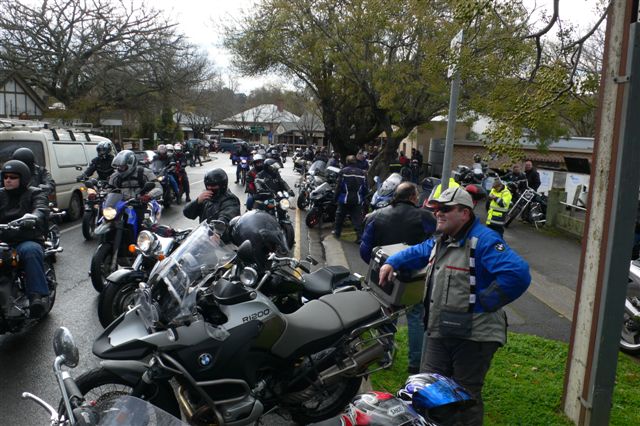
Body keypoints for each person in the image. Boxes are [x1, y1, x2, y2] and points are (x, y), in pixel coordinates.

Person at [378, 187, 530, 425]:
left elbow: (518, 274)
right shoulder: (442, 238)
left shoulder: (484, 240)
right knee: (428, 387)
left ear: (465, 213)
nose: (438, 213)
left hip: (475, 336)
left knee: (464, 396)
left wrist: (483, 303)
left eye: (445, 209)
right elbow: (420, 251)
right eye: (436, 208)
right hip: (442, 330)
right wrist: (393, 261)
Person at [360, 182, 436, 374]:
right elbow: (435, 244)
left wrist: (379, 265)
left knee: (386, 315)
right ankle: (415, 363)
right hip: (414, 277)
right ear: (412, 197)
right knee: (416, 317)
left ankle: (384, 356)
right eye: (416, 195)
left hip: (384, 275)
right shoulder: (426, 216)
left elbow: (365, 249)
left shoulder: (376, 215)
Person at [0, 160, 50, 317]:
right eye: (5, 177)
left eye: (13, 177)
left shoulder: (34, 193)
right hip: (3, 240)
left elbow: (41, 207)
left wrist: (34, 217)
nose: (8, 180)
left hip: (26, 239)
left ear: (23, 178)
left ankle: (36, 296)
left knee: (30, 251)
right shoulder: (0, 194)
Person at [333, 155, 367, 243]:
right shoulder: (362, 173)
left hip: (344, 199)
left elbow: (338, 187)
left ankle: (337, 233)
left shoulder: (343, 171)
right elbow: (365, 188)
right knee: (357, 219)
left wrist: (335, 198)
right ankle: (360, 237)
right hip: (357, 199)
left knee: (340, 216)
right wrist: (363, 199)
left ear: (347, 162)